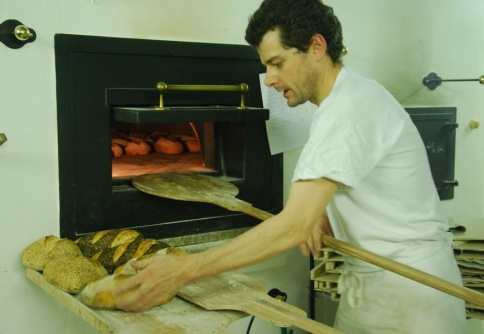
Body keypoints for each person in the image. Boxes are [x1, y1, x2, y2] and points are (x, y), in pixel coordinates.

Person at [114, 0, 466, 332]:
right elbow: (351, 191)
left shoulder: (349, 111)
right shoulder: (351, 98)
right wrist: (319, 210)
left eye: (278, 63)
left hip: (409, 299)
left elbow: (292, 229)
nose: (268, 79)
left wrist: (185, 269)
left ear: (316, 47)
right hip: (377, 287)